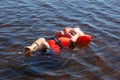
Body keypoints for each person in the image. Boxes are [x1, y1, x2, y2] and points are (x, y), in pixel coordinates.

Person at [24, 27, 92, 57]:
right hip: (49, 44)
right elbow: (55, 34)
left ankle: (33, 49)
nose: (70, 34)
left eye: (73, 34)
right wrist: (61, 33)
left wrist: (78, 34)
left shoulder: (71, 42)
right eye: (70, 32)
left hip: (53, 49)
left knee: (44, 44)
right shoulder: (63, 36)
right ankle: (31, 48)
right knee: (41, 39)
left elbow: (72, 40)